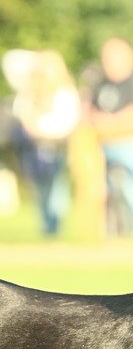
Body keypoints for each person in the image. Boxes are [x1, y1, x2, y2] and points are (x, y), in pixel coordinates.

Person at [80, 37, 133, 238]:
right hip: (101, 147)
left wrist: (107, 122)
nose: (107, 62)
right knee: (102, 194)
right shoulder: (100, 84)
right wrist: (105, 121)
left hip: (128, 146)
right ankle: (109, 235)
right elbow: (88, 113)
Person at [2, 50, 80, 236]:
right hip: (33, 147)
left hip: (55, 145)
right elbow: (10, 61)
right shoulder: (30, 92)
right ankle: (47, 227)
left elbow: (65, 122)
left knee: (54, 189)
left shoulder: (64, 92)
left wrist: (40, 128)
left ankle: (53, 227)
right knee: (41, 190)